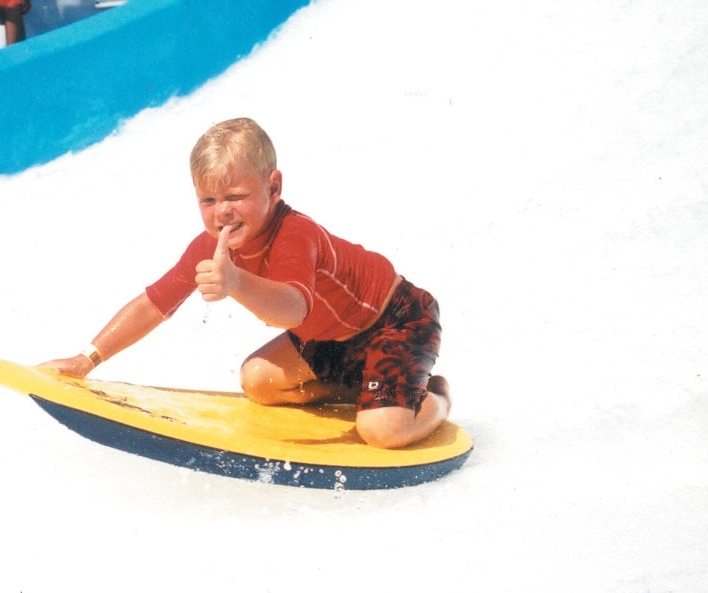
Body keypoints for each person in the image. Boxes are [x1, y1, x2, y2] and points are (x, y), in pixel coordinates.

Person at [42, 118, 451, 449]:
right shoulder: (209, 247)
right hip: (336, 339)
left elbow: (294, 310)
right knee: (258, 380)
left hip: (396, 320)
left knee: (382, 431)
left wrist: (236, 281)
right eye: (208, 200)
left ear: (273, 187)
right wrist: (86, 360)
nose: (222, 212)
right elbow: (154, 303)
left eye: (235, 196)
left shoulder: (296, 235)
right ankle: (365, 387)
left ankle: (435, 397)